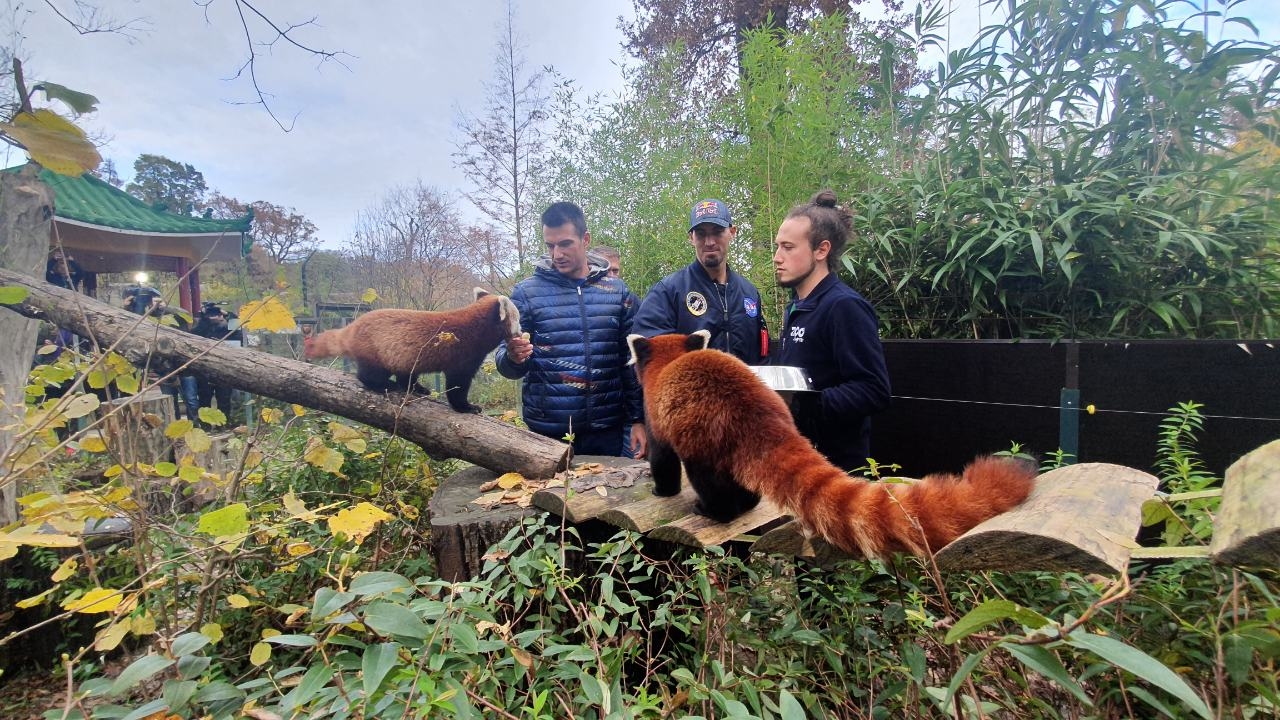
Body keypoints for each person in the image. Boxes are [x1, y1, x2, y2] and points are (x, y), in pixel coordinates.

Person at [496, 202, 647, 458]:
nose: (557, 254)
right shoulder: (527, 294)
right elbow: (504, 359)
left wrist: (637, 420)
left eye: (565, 244)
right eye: (550, 245)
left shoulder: (617, 292)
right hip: (548, 436)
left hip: (608, 431)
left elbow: (631, 363)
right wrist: (513, 358)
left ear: (585, 239)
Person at [772, 190, 891, 473]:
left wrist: (803, 406)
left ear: (821, 250)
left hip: (839, 473)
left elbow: (874, 390)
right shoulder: (797, 306)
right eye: (777, 247)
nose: (777, 257)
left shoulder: (844, 307)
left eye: (788, 248)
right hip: (801, 462)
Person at [632, 199, 768, 364]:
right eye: (701, 234)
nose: (709, 242)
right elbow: (650, 362)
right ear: (691, 238)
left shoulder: (749, 293)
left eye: (717, 232)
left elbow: (761, 357)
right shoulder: (667, 292)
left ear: (732, 232)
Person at [191, 303, 244, 422]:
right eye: (212, 313)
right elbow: (193, 333)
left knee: (224, 397)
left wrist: (227, 314)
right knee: (204, 398)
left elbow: (238, 329)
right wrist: (204, 318)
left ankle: (223, 423)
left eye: (217, 313)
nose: (214, 316)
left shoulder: (228, 329)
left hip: (223, 367)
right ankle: (205, 425)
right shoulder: (203, 328)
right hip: (204, 368)